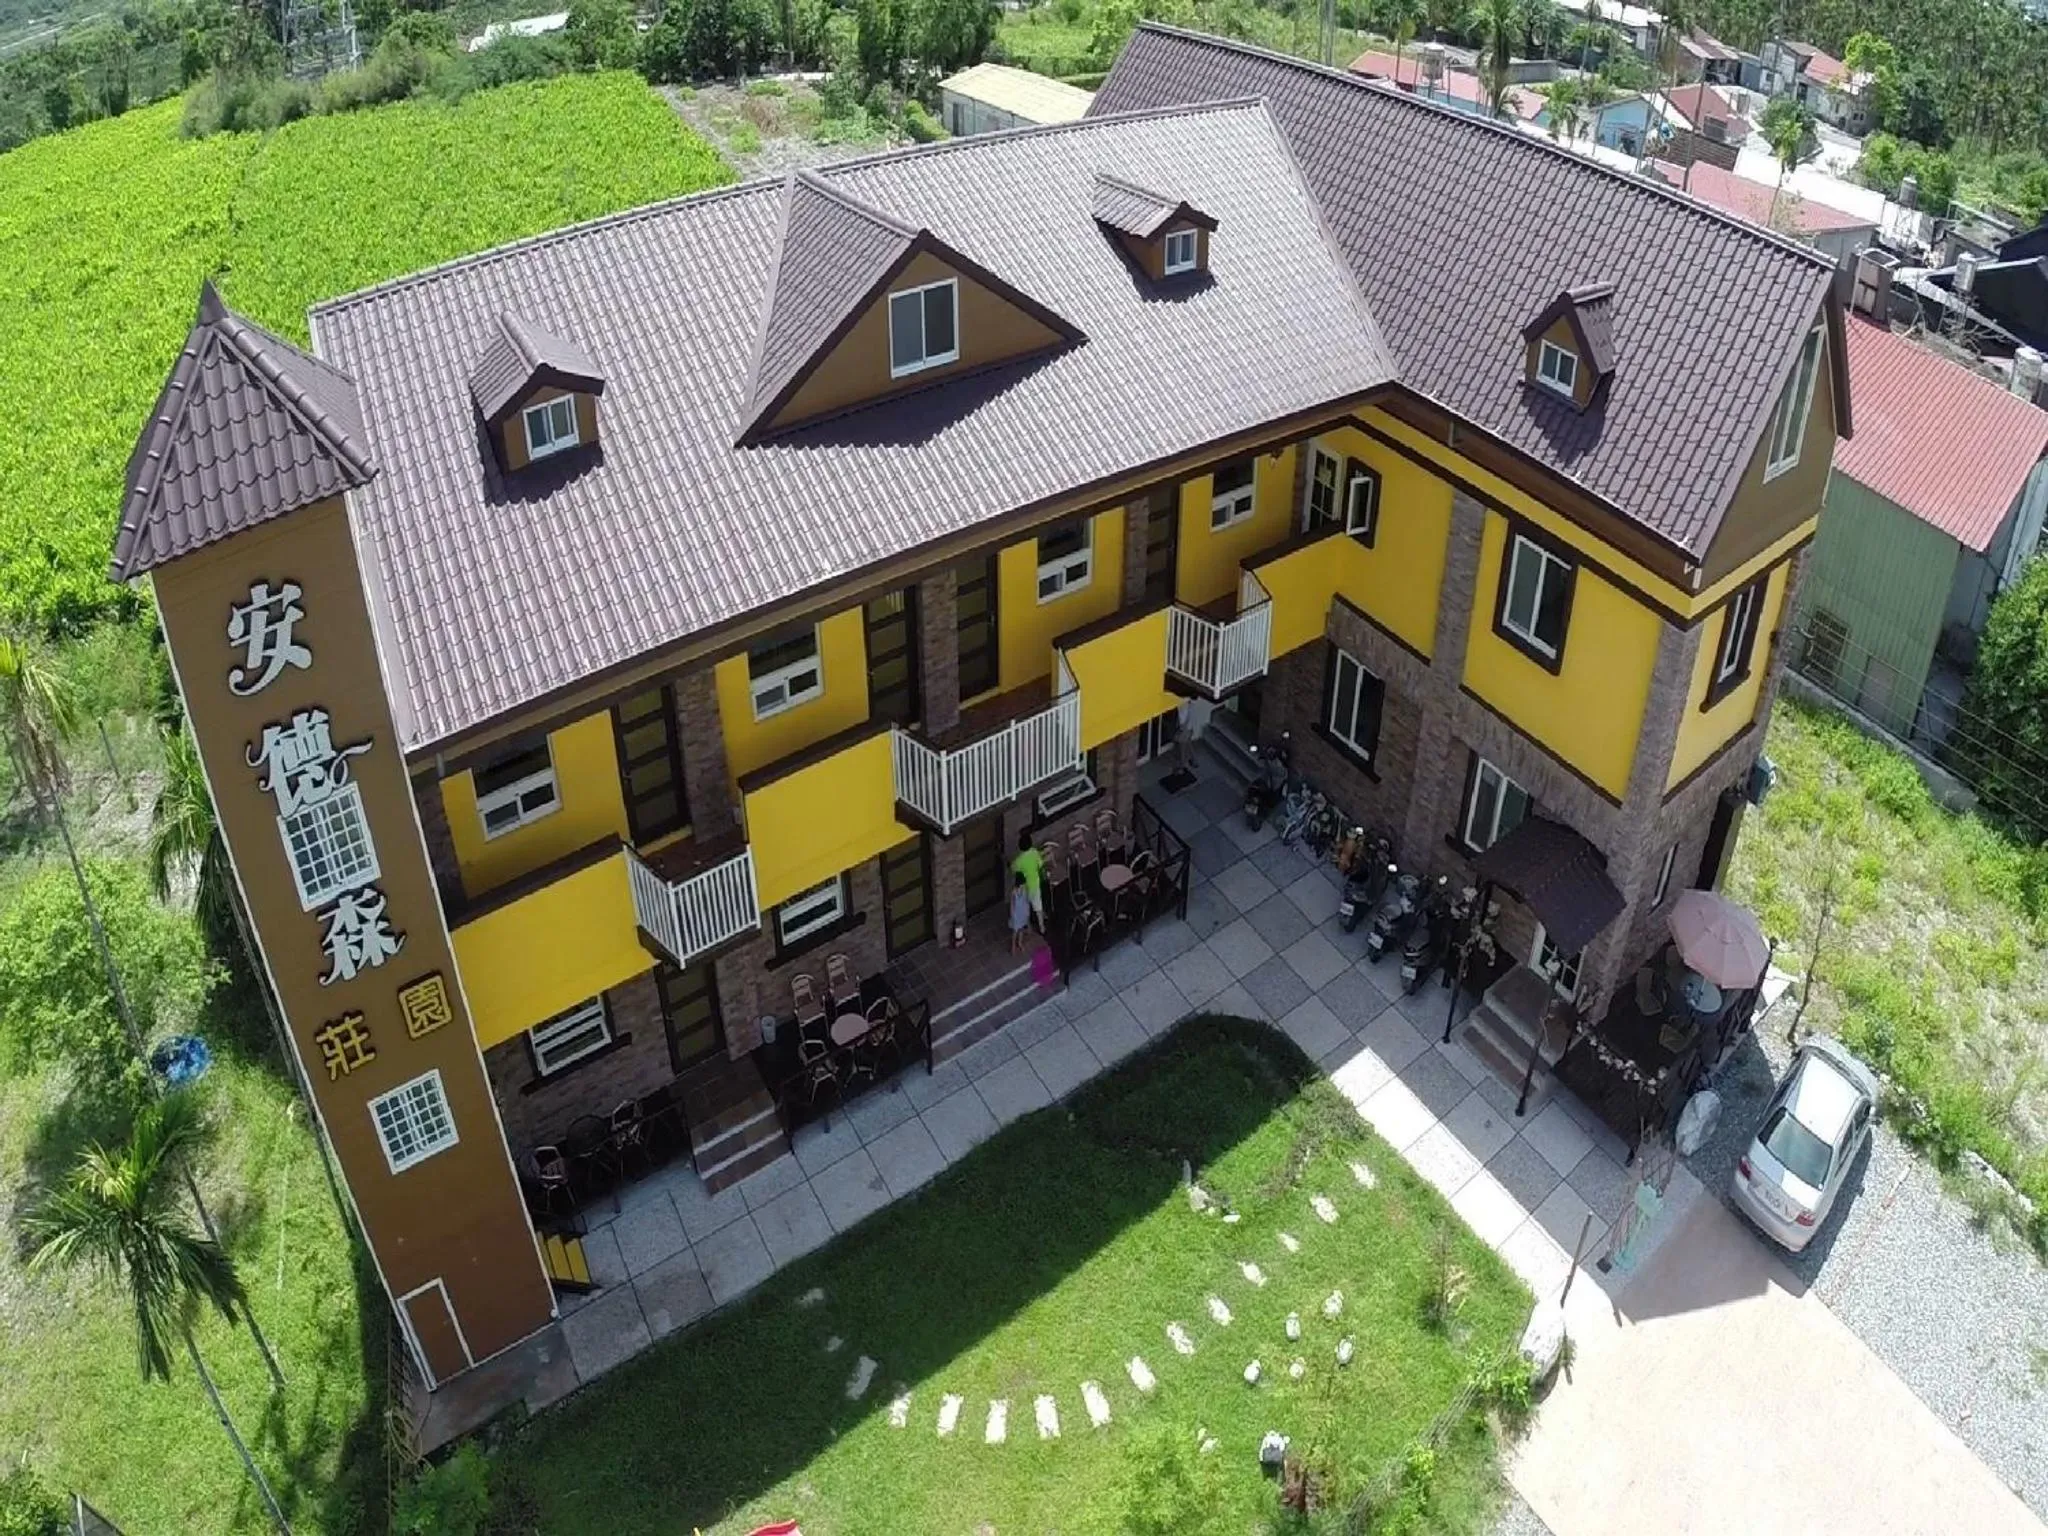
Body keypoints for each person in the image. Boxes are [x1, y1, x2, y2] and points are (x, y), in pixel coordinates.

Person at [1012, 830, 1045, 932]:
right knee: (1038, 907)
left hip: (1025, 888)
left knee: (1025, 908)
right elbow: (1040, 864)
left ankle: (1029, 927)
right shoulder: (1035, 853)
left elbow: (1013, 869)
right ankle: (1042, 927)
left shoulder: (1019, 860)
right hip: (1035, 884)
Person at [1176, 695, 1215, 776]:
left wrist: (1183, 727)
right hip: (1187, 727)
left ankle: (1182, 767)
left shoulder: (1186, 703)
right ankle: (1193, 760)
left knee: (1183, 747)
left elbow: (1186, 717)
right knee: (1187, 743)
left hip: (1185, 728)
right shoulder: (1189, 703)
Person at [1009, 871, 1033, 953]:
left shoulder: (1025, 888)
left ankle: (1020, 943)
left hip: (1023, 911)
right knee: (1015, 931)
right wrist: (1012, 915)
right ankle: (1013, 946)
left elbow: (1027, 899)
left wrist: (1027, 911)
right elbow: (1012, 904)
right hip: (1016, 913)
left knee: (1021, 929)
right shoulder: (1013, 892)